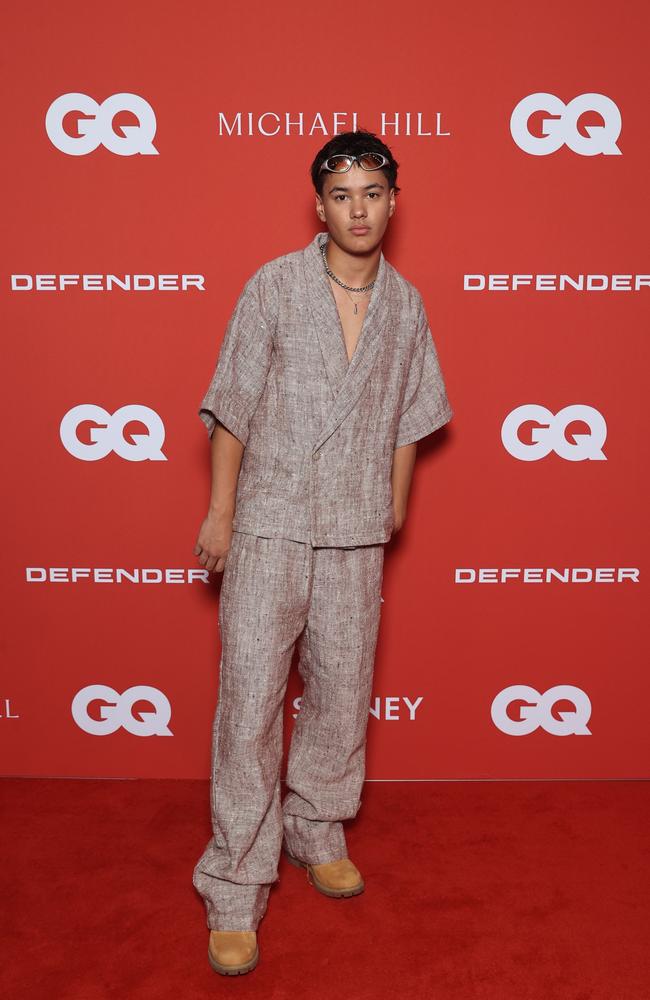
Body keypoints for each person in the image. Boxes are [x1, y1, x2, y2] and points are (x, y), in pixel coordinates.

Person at [192, 128, 453, 976]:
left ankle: (316, 828)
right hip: (269, 520)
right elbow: (233, 402)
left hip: (353, 529)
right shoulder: (273, 285)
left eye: (372, 194)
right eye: (342, 196)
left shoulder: (407, 304)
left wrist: (394, 508)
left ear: (393, 200)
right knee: (250, 702)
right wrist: (222, 513)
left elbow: (413, 415)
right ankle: (234, 881)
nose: (359, 210)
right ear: (320, 205)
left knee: (341, 694)